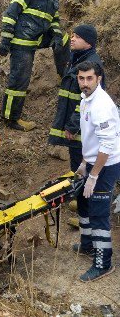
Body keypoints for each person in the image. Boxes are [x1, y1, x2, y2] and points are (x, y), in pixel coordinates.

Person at [0, 0, 69, 130]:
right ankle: (10, 118)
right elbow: (10, 15)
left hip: (37, 38)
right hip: (22, 44)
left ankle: (63, 75)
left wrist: (56, 37)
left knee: (64, 39)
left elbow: (55, 21)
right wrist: (5, 41)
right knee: (19, 82)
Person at [47, 25, 104, 230]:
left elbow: (86, 101)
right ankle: (83, 208)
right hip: (80, 130)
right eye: (72, 35)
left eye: (77, 37)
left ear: (89, 42)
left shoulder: (91, 66)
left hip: (83, 132)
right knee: (79, 172)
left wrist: (72, 126)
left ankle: (86, 216)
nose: (72, 39)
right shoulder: (78, 59)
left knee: (83, 173)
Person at [73, 60, 120, 282]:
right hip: (94, 160)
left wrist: (93, 175)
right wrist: (85, 162)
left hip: (107, 164)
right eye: (81, 78)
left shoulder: (101, 105)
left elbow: (107, 145)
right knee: (85, 202)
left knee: (99, 212)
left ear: (98, 78)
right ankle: (88, 245)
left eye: (89, 78)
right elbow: (91, 138)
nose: (85, 83)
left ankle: (103, 263)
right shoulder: (86, 100)